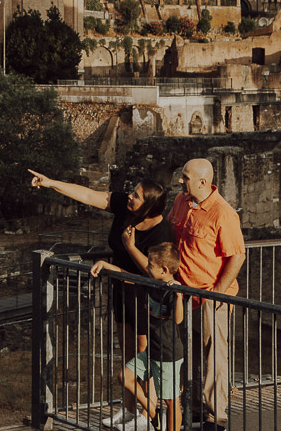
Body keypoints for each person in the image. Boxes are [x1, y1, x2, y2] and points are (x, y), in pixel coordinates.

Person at [29, 169, 171, 429]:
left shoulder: (162, 233)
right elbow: (88, 195)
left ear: (149, 205)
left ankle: (148, 415)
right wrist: (51, 182)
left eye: (136, 195)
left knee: (143, 361)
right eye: (132, 191)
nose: (129, 196)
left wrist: (129, 247)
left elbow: (152, 273)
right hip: (122, 292)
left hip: (146, 298)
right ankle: (128, 411)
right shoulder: (126, 207)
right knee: (127, 355)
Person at [169, 158, 246, 431]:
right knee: (187, 354)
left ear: (202, 182)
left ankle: (216, 416)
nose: (180, 181)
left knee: (214, 356)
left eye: (185, 176)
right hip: (184, 294)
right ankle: (195, 408)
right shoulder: (180, 201)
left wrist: (218, 293)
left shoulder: (223, 213)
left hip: (211, 297)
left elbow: (237, 256)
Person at [92, 243, 184, 431]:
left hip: (168, 354)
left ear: (164, 269)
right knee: (124, 377)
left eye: (150, 264)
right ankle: (153, 413)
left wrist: (179, 296)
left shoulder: (171, 291)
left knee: (171, 401)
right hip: (151, 350)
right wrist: (104, 264)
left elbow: (178, 318)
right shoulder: (151, 283)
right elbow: (126, 275)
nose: (147, 267)